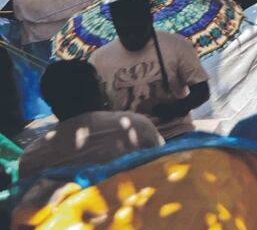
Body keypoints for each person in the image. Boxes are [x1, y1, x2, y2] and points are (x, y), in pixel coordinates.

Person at [89, 0, 210, 140]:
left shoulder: (176, 45)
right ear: (114, 23)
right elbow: (95, 108)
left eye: (138, 29)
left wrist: (178, 107)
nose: (132, 37)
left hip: (176, 134)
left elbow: (202, 91)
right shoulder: (99, 59)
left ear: (150, 18)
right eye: (124, 30)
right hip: (128, 142)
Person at [18, 60, 163, 179]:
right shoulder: (136, 126)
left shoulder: (32, 157)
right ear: (97, 92)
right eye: (100, 83)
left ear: (49, 102)